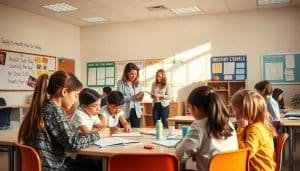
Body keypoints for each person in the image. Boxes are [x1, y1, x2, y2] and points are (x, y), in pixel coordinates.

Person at [18, 71, 100, 170]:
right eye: (75, 95)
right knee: (96, 165)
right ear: (64, 92)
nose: (75, 101)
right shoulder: (55, 111)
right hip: (52, 167)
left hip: (39, 166)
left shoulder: (43, 107)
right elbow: (73, 144)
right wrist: (99, 134)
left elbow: (68, 138)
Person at [175, 86, 238, 171]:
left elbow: (180, 156)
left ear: (195, 109)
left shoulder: (198, 126)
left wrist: (181, 143)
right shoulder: (229, 124)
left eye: (189, 107)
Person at [231, 89, 277, 171]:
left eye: (235, 109)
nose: (233, 112)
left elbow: (244, 154)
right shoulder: (257, 125)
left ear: (247, 111)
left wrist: (240, 128)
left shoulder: (256, 129)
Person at [117, 63, 144, 128]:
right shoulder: (120, 82)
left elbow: (139, 100)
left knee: (136, 131)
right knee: (123, 130)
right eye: (131, 74)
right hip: (124, 111)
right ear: (126, 73)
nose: (134, 76)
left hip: (136, 111)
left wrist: (141, 96)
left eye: (135, 74)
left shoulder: (139, 83)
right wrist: (133, 96)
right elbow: (120, 98)